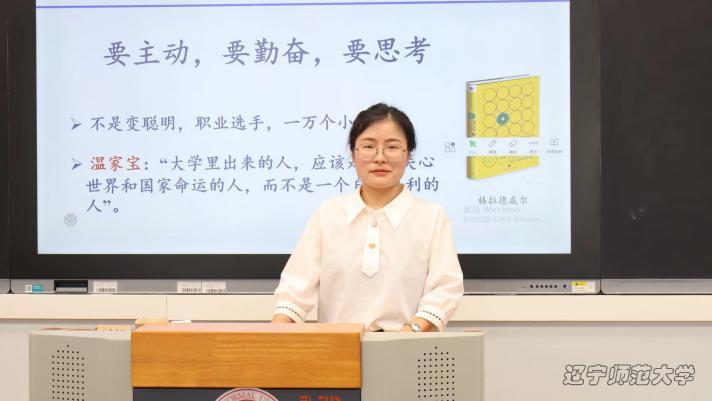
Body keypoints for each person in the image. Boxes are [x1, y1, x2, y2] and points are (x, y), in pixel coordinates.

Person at [271, 103, 463, 332]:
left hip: (405, 345)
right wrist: (272, 338)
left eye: (392, 147)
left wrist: (408, 334)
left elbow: (445, 288)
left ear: (408, 154)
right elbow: (294, 290)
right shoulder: (328, 214)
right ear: (354, 153)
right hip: (337, 348)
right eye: (369, 146)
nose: (380, 157)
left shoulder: (431, 217)